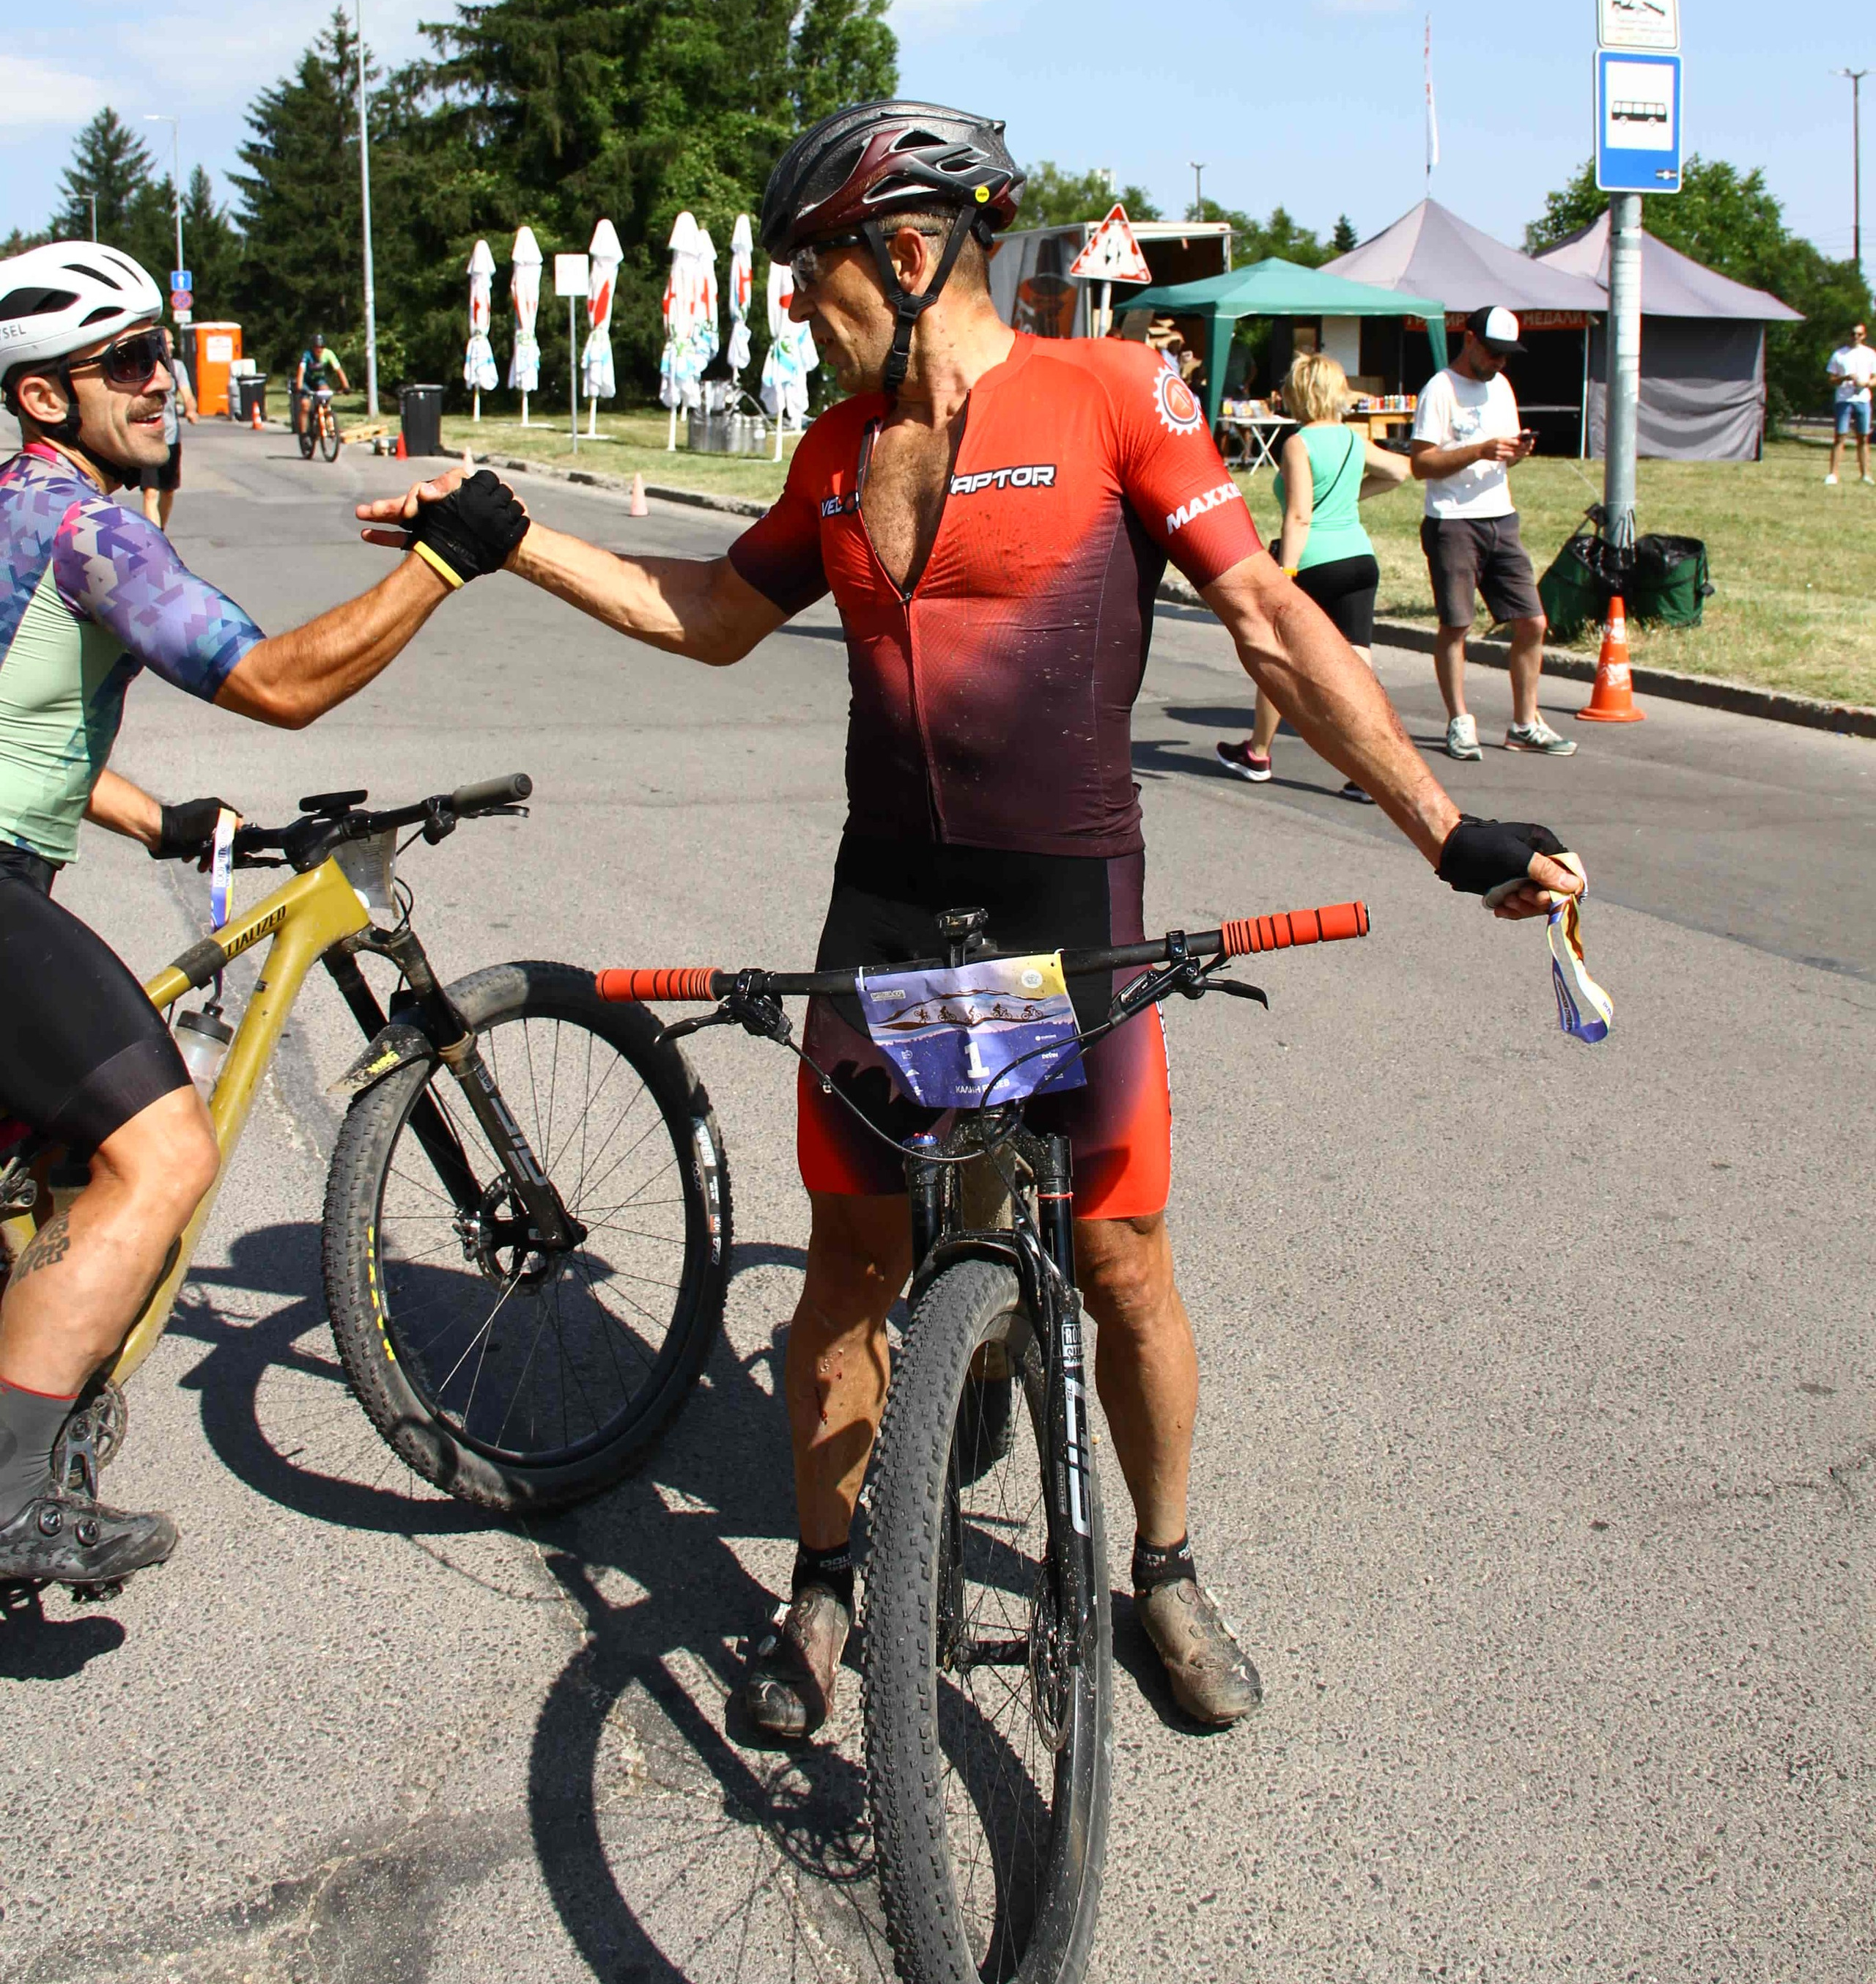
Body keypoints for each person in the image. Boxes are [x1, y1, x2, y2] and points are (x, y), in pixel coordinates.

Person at [363, 100, 1584, 1742]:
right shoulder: (836, 451)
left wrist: (1445, 830)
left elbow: (1268, 620)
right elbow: (714, 615)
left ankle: (1161, 1565)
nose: (796, 305)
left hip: (1061, 908)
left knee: (1118, 1262)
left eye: (812, 273)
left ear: (911, 250)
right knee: (849, 1272)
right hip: (887, 910)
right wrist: (512, 541)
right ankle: (817, 1583)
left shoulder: (1107, 396)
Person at [0, 242, 526, 1596]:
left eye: (156, 354)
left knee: (57, 1157)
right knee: (162, 1153)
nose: (160, 380)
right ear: (46, 399)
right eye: (126, 364)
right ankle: (6, 1497)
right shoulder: (83, 527)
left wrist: (153, 819)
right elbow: (278, 683)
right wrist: (447, 565)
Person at [1216, 351, 1411, 800]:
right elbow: (1400, 472)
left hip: (1315, 560)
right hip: (1360, 558)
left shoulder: (1298, 443)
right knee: (1358, 669)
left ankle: (1259, 752)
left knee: (1279, 655)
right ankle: (1371, 773)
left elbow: (1300, 515)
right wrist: (1352, 498)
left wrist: (1285, 572)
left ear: (1299, 393)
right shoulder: (1351, 439)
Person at [1411, 306, 1576, 763]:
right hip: (1453, 520)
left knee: (1533, 622)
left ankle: (1525, 722)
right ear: (1468, 340)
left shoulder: (1501, 386)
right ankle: (1460, 721)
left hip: (1501, 515)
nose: (1499, 363)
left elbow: (1500, 453)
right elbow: (1420, 464)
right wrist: (1478, 450)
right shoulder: (1440, 390)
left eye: (1507, 355)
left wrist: (1515, 452)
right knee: (1457, 623)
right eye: (1492, 352)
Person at [139, 333, 197, 534]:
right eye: (168, 343)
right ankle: (154, 538)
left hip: (171, 436)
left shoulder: (177, 367)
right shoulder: (144, 366)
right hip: (148, 438)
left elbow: (187, 394)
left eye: (172, 343)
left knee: (168, 491)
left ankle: (160, 530)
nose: (171, 347)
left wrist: (191, 409)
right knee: (150, 492)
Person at [1824, 320, 1875, 487]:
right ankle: (1833, 474)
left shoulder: (1870, 354)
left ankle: (1865, 475)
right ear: (1849, 335)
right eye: (1853, 334)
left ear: (1864, 336)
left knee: (1863, 437)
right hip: (1844, 400)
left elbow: (1875, 377)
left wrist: (1867, 384)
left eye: (1859, 334)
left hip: (1863, 399)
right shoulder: (1839, 354)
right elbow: (1831, 379)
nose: (1855, 337)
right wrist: (1845, 378)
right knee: (1840, 436)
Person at [291, 329, 348, 443]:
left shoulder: (328, 354)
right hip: (307, 382)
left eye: (322, 348)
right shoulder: (307, 355)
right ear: (313, 348)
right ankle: (303, 435)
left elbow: (339, 370)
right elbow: (301, 371)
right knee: (305, 405)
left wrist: (346, 386)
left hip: (319, 381)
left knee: (325, 394)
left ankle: (329, 424)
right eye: (317, 348)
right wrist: (300, 386)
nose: (320, 350)